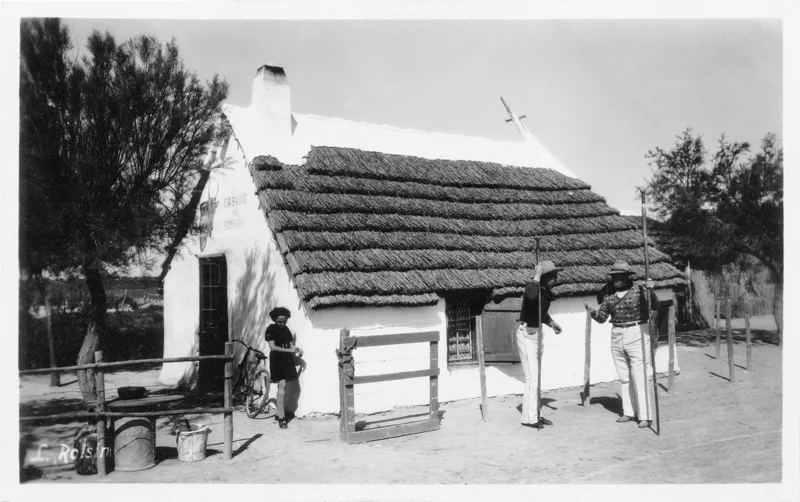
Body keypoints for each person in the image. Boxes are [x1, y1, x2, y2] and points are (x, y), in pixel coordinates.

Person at [585, 260, 659, 429]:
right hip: (617, 333)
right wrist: (593, 312)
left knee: (639, 375)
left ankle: (645, 416)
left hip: (638, 330)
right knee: (624, 376)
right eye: (613, 277)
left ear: (627, 277)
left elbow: (655, 306)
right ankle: (628, 412)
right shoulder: (608, 295)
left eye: (619, 276)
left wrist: (651, 291)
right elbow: (602, 318)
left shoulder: (640, 290)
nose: (616, 280)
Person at [517, 260, 563, 428]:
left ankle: (536, 413)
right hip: (527, 334)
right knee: (532, 378)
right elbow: (530, 296)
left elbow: (541, 313)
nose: (555, 280)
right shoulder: (532, 288)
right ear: (544, 278)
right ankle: (529, 418)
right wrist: (536, 275)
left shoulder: (544, 292)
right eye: (552, 277)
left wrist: (551, 323)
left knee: (536, 377)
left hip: (538, 334)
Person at [265, 307, 303, 429]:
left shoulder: (287, 330)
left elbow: (292, 345)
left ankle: (278, 412)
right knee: (282, 385)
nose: (282, 324)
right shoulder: (270, 329)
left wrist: (297, 349)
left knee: (286, 387)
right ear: (275, 319)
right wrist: (290, 350)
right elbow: (273, 347)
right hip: (277, 360)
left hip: (287, 360)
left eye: (284, 321)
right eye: (279, 321)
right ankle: (282, 417)